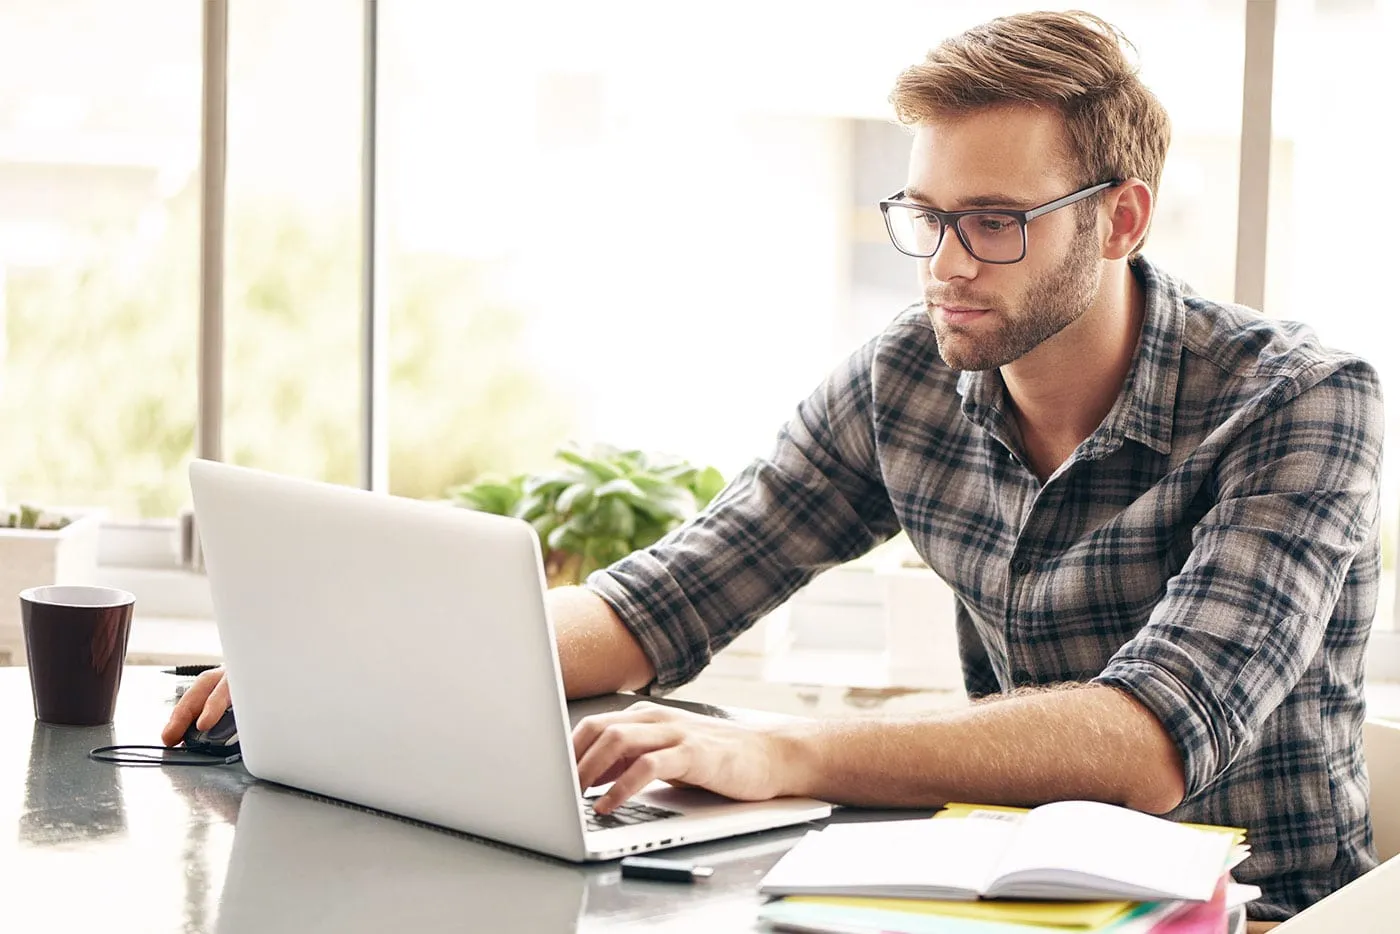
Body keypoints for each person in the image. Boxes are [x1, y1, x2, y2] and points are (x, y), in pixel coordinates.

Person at [163, 11, 1382, 925]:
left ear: (1118, 220)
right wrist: (347, 667)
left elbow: (1148, 741)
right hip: (1007, 902)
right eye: (924, 213)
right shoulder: (906, 376)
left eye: (994, 221)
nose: (944, 262)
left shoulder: (1300, 403)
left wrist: (780, 748)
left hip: (1260, 911)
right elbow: (665, 597)